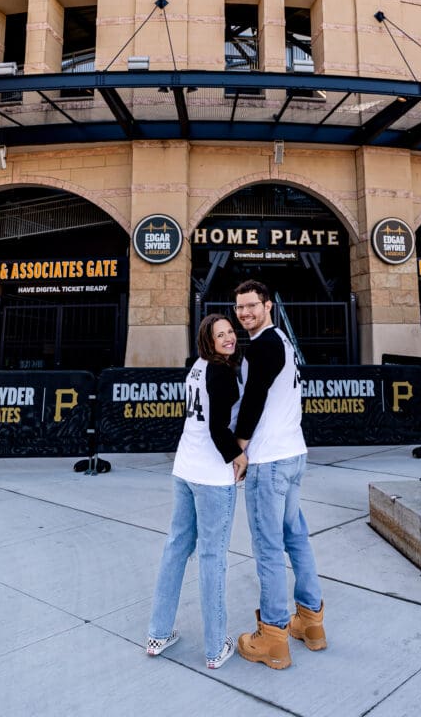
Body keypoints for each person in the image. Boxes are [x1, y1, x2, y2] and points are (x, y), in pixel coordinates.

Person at [233, 279, 325, 671]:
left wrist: (239, 447)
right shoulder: (283, 341)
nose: (244, 313)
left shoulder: (265, 345)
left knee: (270, 547)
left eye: (252, 305)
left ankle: (272, 638)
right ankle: (311, 622)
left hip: (270, 460)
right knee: (296, 537)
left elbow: (252, 399)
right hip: (293, 455)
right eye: (239, 308)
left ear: (267, 305)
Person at [146, 314, 247, 669]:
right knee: (212, 557)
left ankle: (158, 633)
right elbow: (220, 428)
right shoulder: (220, 371)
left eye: (230, 332)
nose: (229, 338)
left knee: (175, 547)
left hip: (184, 468)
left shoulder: (196, 368)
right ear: (208, 340)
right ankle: (216, 646)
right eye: (221, 335)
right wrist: (238, 455)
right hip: (210, 476)